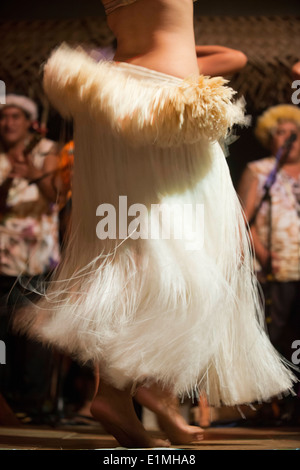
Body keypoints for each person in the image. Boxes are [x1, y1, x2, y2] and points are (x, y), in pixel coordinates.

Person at [14, 0, 296, 448]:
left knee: (135, 245)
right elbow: (230, 56)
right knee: (192, 246)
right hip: (166, 103)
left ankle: (150, 398)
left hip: (114, 96)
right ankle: (123, 393)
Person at [0, 94, 66, 420]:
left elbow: (57, 196)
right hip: (1, 257)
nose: (8, 122)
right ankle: (8, 403)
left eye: (16, 116)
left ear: (29, 121)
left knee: (33, 335)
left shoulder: (48, 150)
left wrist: (33, 173)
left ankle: (34, 405)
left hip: (37, 258)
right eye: (4, 116)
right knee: (3, 337)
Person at [238, 104, 300, 423]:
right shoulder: (259, 170)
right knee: (274, 336)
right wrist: (261, 251)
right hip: (275, 267)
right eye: (281, 133)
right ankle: (270, 405)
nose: (288, 140)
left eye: (294, 135)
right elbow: (242, 220)